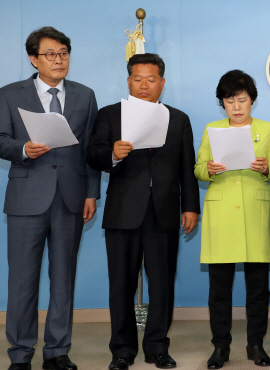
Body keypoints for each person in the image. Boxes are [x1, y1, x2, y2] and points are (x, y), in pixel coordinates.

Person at [87, 53, 200, 370]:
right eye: (138, 79)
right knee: (121, 284)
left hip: (164, 211)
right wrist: (112, 152)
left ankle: (157, 348)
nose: (144, 85)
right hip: (124, 211)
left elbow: (186, 168)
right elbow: (92, 155)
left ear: (162, 83)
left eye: (151, 79)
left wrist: (191, 207)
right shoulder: (110, 115)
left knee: (162, 284)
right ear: (128, 82)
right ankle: (122, 350)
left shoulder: (178, 119)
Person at [0, 26, 100, 370]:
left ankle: (57, 352)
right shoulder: (10, 94)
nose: (59, 60)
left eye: (64, 53)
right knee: (22, 281)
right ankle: (20, 354)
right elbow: (0, 139)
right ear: (33, 59)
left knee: (63, 279)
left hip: (71, 199)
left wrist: (91, 193)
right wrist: (23, 148)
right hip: (27, 199)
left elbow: (90, 149)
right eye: (51, 54)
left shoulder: (85, 95)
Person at [194, 69, 270, 369]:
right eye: (229, 100)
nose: (236, 106)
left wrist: (266, 167)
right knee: (220, 288)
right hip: (222, 213)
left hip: (255, 211)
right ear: (222, 103)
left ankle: (256, 344)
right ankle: (220, 346)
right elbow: (198, 169)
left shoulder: (267, 129)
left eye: (242, 100)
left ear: (252, 101)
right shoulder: (211, 129)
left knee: (258, 287)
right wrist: (210, 169)